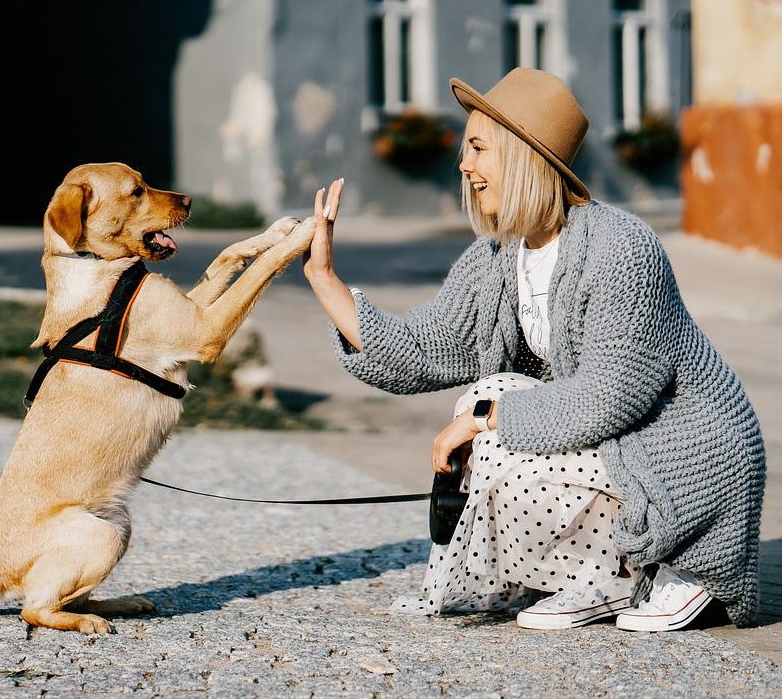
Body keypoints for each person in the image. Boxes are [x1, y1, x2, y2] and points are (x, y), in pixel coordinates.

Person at [302, 67, 765, 631]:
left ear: (522, 155)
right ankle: (591, 576)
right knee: (488, 395)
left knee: (491, 419)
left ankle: (647, 569)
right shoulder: (499, 256)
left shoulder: (622, 248)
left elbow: (608, 398)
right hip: (617, 447)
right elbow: (423, 349)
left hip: (685, 457)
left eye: (477, 148)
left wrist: (482, 421)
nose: (464, 165)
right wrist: (325, 279)